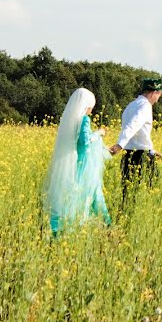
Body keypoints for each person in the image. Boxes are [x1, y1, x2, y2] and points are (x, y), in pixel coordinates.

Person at [43, 88, 112, 235]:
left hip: (74, 161)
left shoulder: (71, 120)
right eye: (91, 107)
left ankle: (57, 229)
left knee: (73, 192)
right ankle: (103, 224)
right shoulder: (84, 119)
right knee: (86, 192)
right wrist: (100, 133)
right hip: (83, 162)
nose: (91, 111)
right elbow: (85, 141)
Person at [109, 78, 162, 206]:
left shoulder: (132, 105)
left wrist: (153, 151)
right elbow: (132, 126)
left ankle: (124, 221)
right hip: (141, 156)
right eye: (158, 95)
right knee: (153, 191)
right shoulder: (145, 106)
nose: (158, 99)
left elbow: (139, 135)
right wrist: (119, 145)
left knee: (128, 193)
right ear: (153, 92)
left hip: (129, 154)